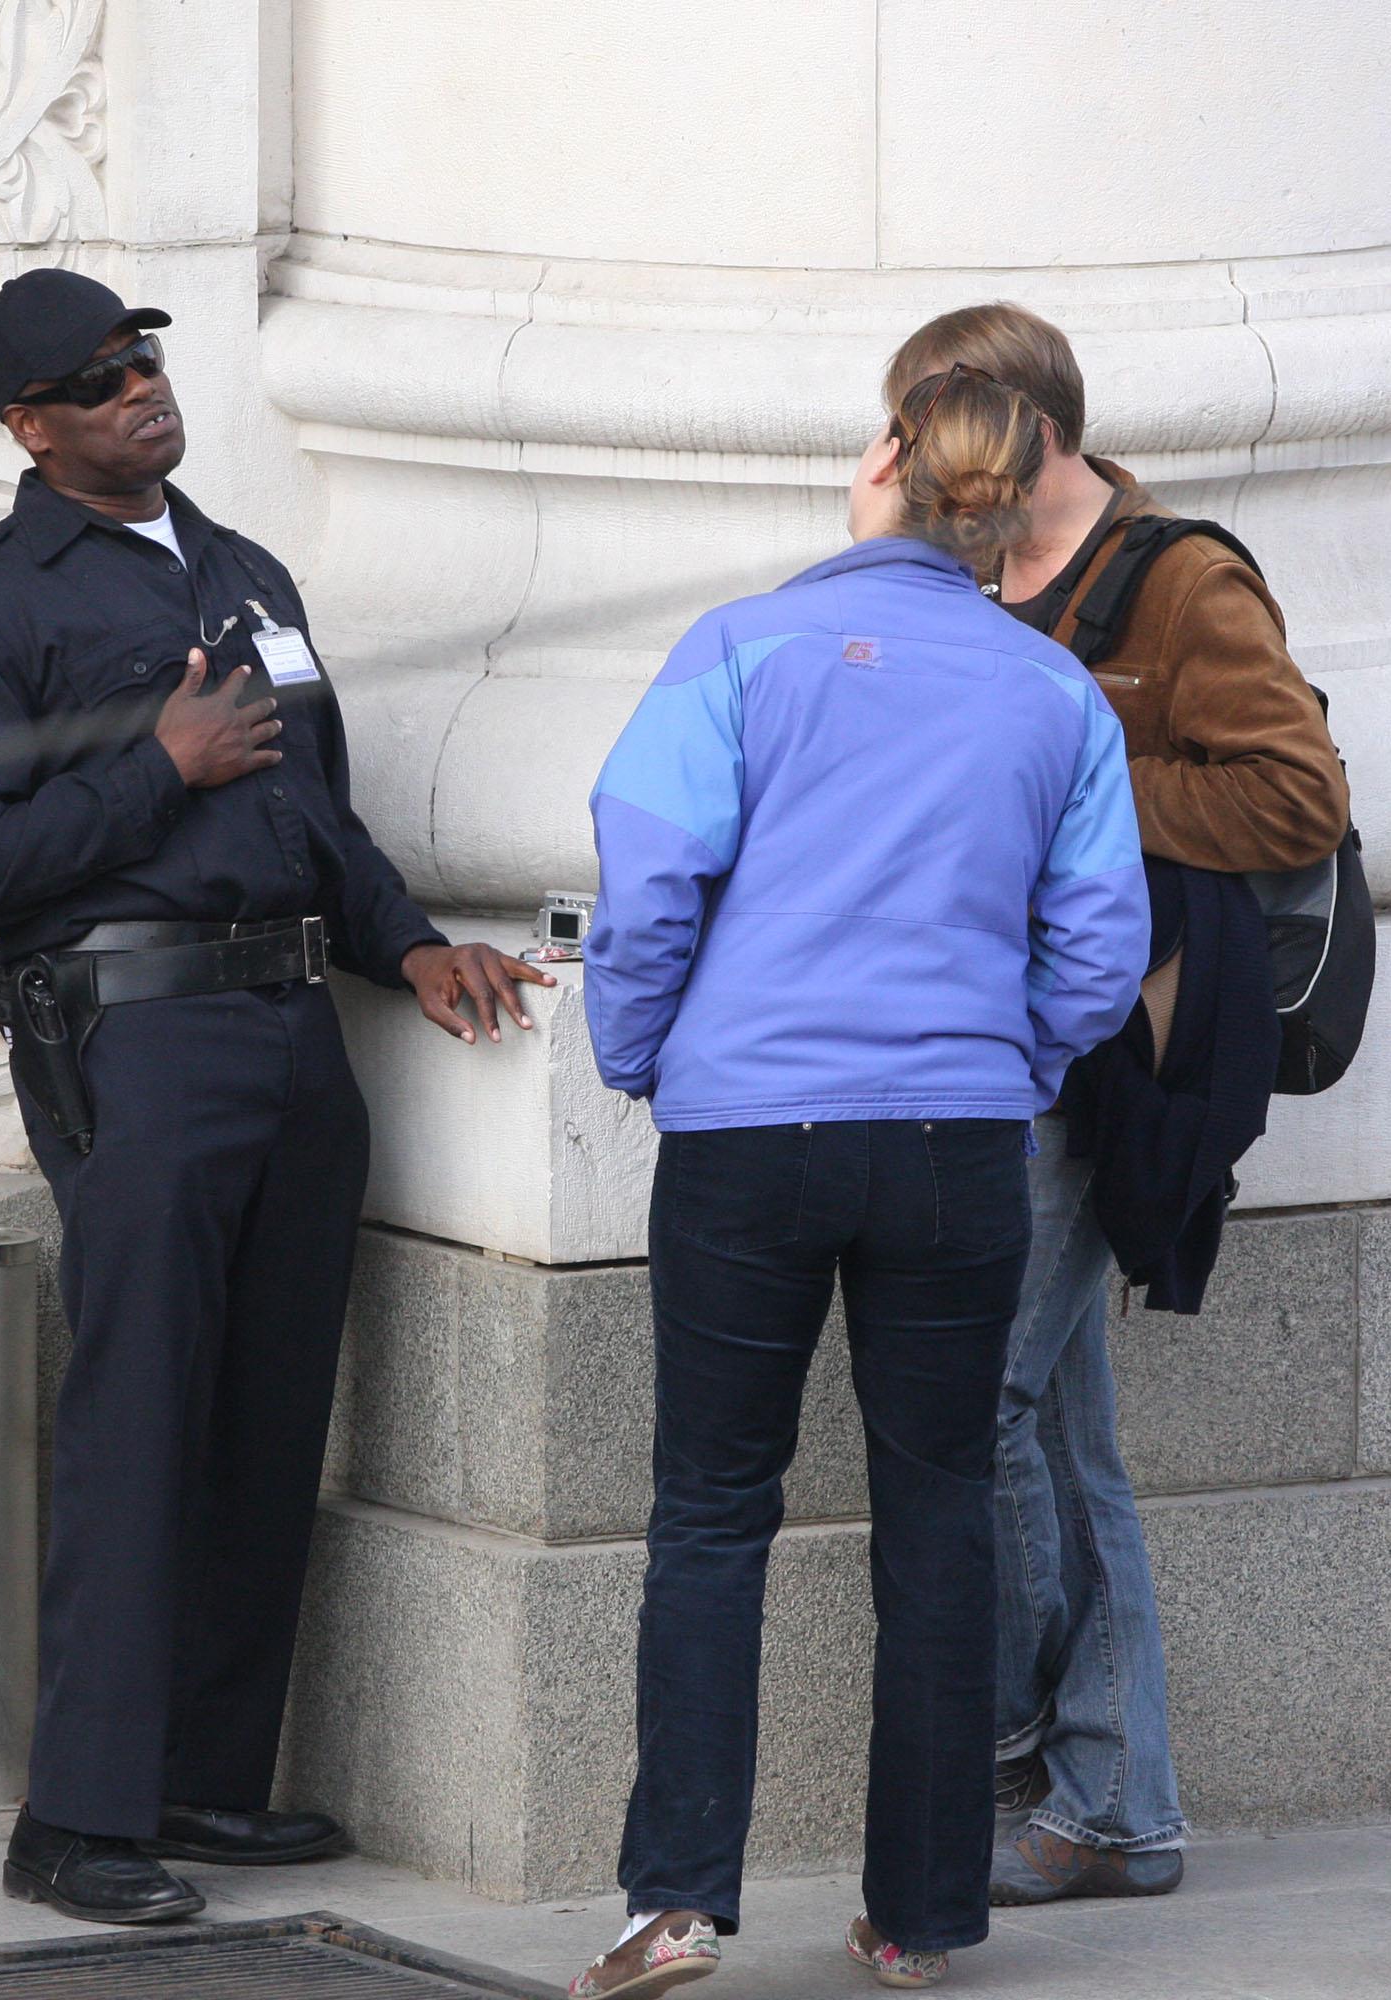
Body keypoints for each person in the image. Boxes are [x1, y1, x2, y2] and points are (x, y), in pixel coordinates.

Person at [0, 269, 553, 1926]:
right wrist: (154, 770)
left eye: (144, 360)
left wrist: (403, 952)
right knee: (139, 1420)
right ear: (28, 426)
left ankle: (202, 1777)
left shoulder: (242, 571)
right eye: (98, 379)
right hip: (140, 1039)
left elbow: (320, 817)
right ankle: (78, 1817)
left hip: (288, 1028)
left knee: (268, 1413)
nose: (139, 390)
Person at [571, 364, 1151, 1996]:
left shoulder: (742, 648)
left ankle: (674, 1902)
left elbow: (648, 883)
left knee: (707, 1514)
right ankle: (919, 1918)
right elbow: (1099, 939)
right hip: (958, 1140)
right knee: (941, 1513)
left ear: (887, 462)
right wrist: (1017, 1057)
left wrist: (644, 1050)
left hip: (750, 1132)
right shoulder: (1050, 693)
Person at [881, 304, 1350, 1905]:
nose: (937, 489)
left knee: (993, 1405)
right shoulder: (970, 568)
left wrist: (1061, 761)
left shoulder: (1177, 578)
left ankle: (1032, 1755)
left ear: (1027, 434)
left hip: (1121, 1057)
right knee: (1064, 1438)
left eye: (952, 453)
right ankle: (1118, 1806)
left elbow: (1296, 796)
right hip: (995, 1046)